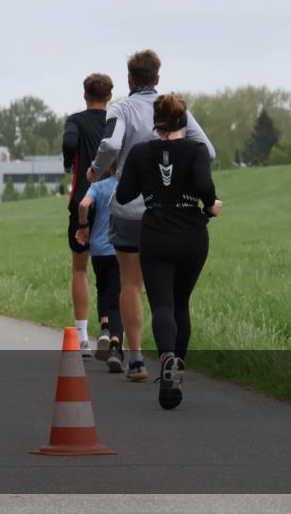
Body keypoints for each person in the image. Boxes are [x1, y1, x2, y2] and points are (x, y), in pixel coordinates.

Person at [87, 49, 215, 381]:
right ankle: (173, 361)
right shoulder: (174, 109)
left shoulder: (121, 108)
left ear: (129, 79)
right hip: (175, 213)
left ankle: (137, 359)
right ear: (158, 79)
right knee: (174, 298)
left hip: (131, 211)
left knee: (131, 283)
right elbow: (209, 150)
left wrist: (96, 172)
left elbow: (111, 145)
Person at [115, 93, 221, 409]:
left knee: (162, 303)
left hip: (155, 234)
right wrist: (211, 205)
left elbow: (124, 195)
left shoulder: (140, 152)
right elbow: (204, 186)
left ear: (155, 122)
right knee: (181, 303)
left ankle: (166, 359)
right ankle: (177, 369)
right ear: (183, 121)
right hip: (191, 234)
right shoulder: (197, 149)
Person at [61, 73, 113, 357]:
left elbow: (70, 144)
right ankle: (113, 333)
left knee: (80, 269)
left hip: (83, 197)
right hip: (114, 202)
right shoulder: (116, 120)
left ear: (85, 95)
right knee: (114, 270)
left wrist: (70, 162)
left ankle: (82, 339)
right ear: (110, 96)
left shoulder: (76, 121)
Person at [75, 165, 123, 371]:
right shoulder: (130, 186)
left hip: (98, 248)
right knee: (118, 296)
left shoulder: (99, 185)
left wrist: (83, 226)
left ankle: (104, 327)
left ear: (108, 167)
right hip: (121, 248)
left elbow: (83, 205)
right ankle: (115, 345)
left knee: (102, 288)